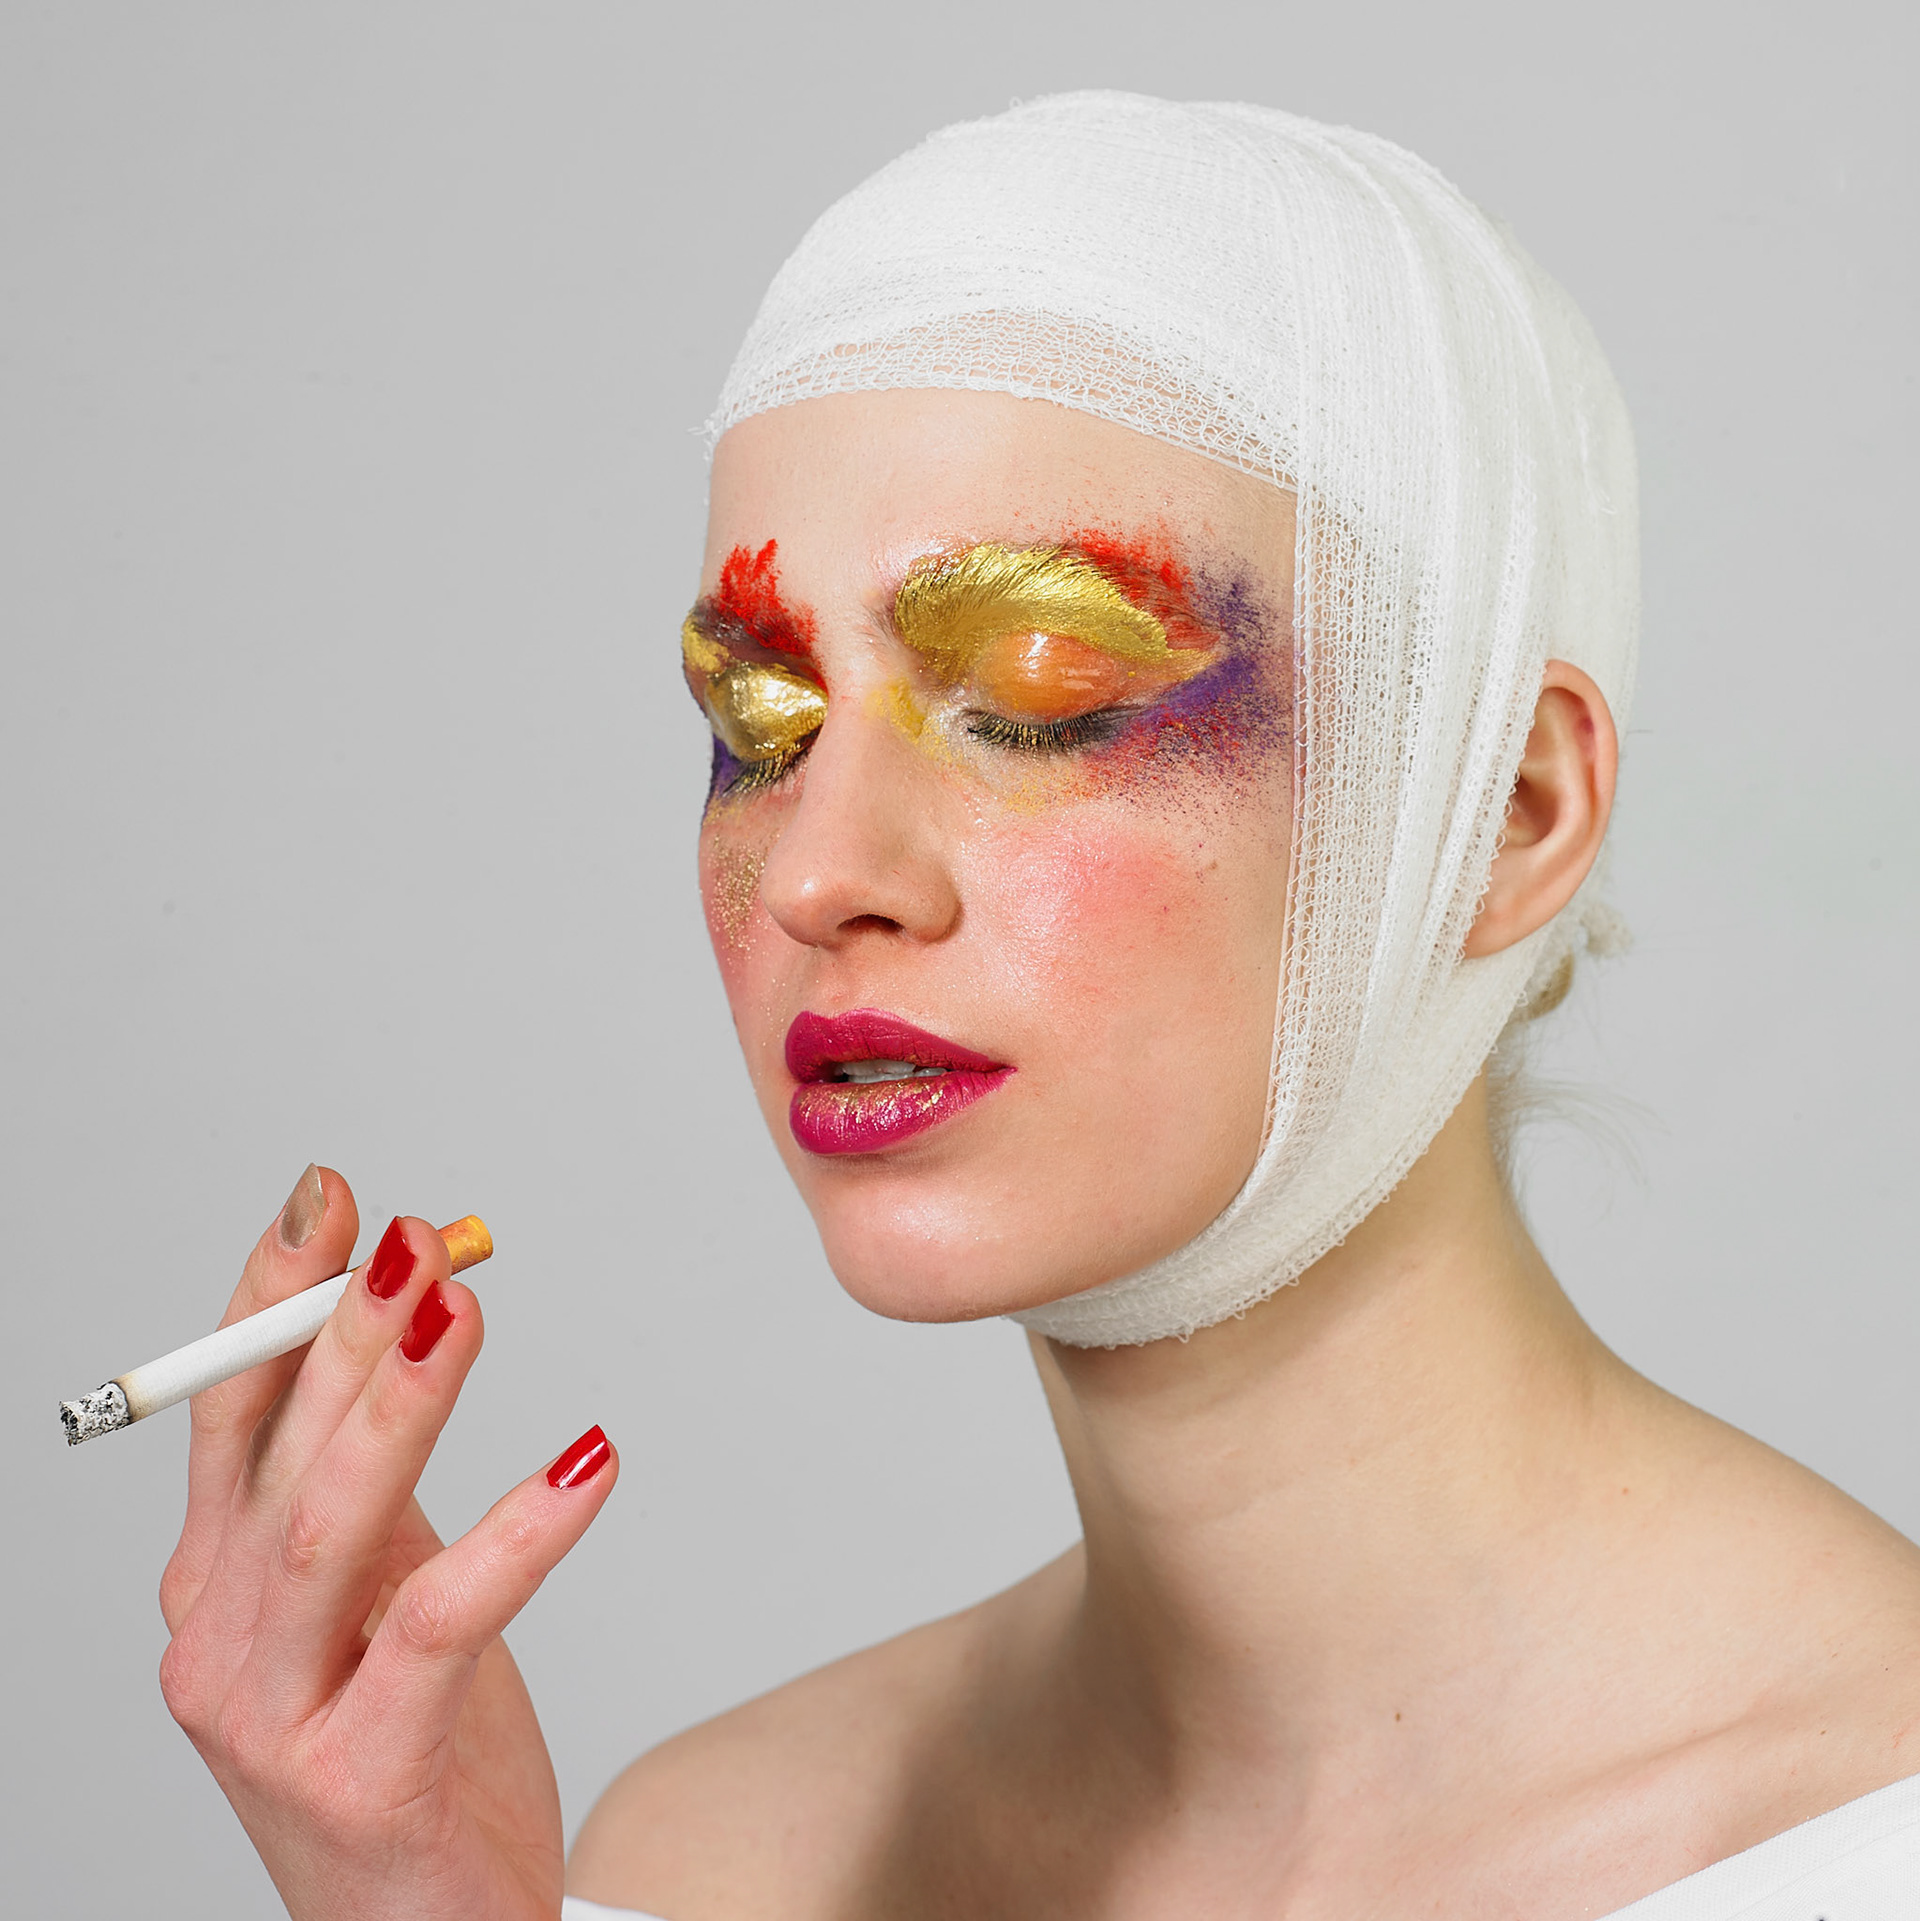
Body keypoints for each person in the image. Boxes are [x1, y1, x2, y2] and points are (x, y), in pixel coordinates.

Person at [155, 95, 1920, 1919]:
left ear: (1509, 811)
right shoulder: (702, 1864)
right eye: (759, 724)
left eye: (1040, 692)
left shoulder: (1864, 1821)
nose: (819, 870)